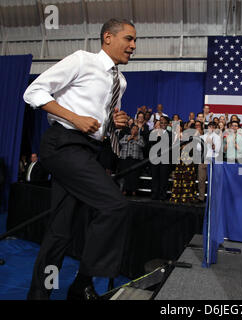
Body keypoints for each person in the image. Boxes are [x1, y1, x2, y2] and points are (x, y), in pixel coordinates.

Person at [22, 18, 136, 300]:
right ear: (108, 38)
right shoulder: (82, 60)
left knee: (60, 231)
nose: (133, 46)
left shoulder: (119, 81)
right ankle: (82, 284)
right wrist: (74, 117)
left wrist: (115, 122)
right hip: (63, 144)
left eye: (135, 41)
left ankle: (38, 295)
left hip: (90, 152)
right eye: (129, 39)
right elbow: (33, 92)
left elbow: (103, 124)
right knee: (115, 206)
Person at [197, 122, 221, 202]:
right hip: (203, 159)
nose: (211, 128)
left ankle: (212, 198)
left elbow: (217, 150)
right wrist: (205, 144)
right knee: (201, 180)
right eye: (210, 126)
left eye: (213, 127)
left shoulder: (217, 137)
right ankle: (201, 197)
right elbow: (198, 148)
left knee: (213, 181)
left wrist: (211, 143)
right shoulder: (202, 137)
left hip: (213, 160)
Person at [118, 125, 145, 196]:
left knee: (134, 175)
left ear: (138, 131)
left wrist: (136, 140)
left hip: (135, 158)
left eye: (136, 129)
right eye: (133, 129)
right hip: (125, 157)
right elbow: (120, 142)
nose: (134, 130)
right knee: (125, 174)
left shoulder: (140, 137)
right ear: (131, 130)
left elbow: (142, 145)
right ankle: (125, 190)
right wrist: (129, 139)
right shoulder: (126, 136)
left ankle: (134, 190)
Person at [150, 116, 172, 201]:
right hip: (155, 158)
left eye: (164, 123)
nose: (163, 124)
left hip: (165, 159)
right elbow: (150, 144)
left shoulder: (171, 134)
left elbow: (169, 145)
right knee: (155, 177)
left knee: (163, 178)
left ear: (167, 124)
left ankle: (163, 195)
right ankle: (154, 194)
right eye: (161, 123)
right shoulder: (154, 133)